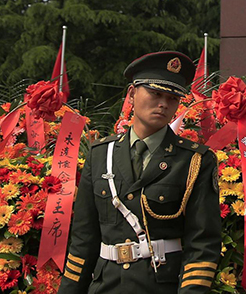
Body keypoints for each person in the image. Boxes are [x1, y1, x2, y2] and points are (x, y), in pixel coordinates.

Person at [58, 52, 221, 294]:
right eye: (155, 93)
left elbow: (202, 244)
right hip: (106, 286)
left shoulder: (194, 160)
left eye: (172, 97)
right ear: (132, 94)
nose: (164, 104)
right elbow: (84, 240)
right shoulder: (101, 154)